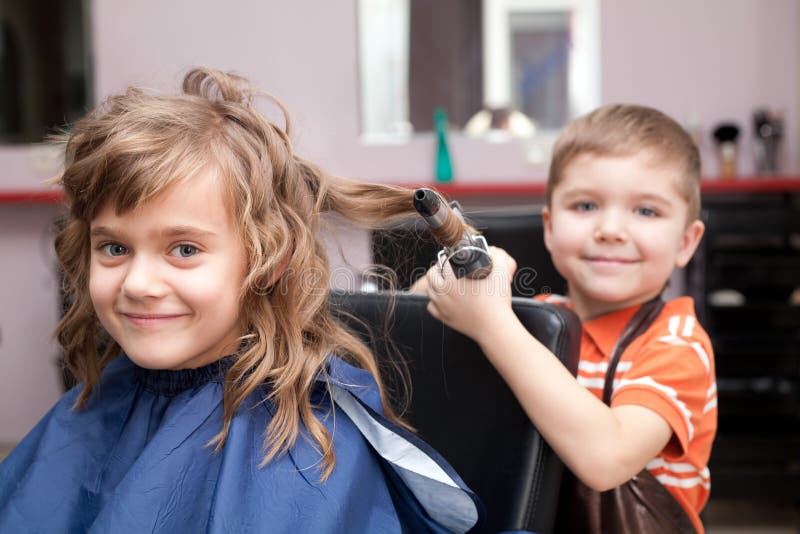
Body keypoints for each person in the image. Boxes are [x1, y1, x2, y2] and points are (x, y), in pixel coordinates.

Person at [0, 67, 481, 533]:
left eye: (184, 250)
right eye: (115, 248)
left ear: (269, 260)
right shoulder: (108, 395)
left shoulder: (302, 447)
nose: (138, 284)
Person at [418, 104, 717, 533]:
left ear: (686, 242)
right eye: (586, 205)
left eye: (646, 211)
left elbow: (606, 458)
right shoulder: (535, 320)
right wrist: (445, 290)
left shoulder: (676, 343)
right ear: (550, 226)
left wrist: (492, 324)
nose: (611, 229)